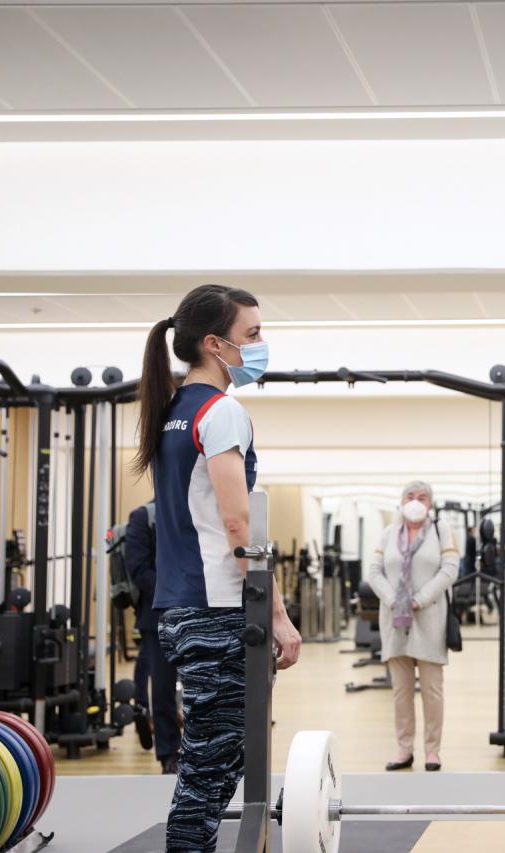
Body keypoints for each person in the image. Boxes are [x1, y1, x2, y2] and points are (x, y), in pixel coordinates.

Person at [133, 284, 302, 853]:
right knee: (212, 765)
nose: (260, 345)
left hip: (181, 608)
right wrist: (277, 612)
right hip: (217, 609)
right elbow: (238, 525)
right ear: (214, 343)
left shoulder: (172, 410)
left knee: (218, 754)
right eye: (251, 335)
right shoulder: (221, 410)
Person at [366, 480, 459, 772]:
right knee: (400, 691)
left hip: (429, 617)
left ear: (430, 503)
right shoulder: (387, 534)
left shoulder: (442, 531)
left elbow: (449, 570)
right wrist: (394, 599)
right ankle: (404, 749)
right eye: (410, 496)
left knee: (432, 690)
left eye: (422, 497)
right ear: (401, 501)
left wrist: (419, 599)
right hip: (395, 621)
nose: (416, 501)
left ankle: (433, 751)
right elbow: (373, 572)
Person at [123, 501, 181, 775]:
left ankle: (200, 752)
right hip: (157, 615)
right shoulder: (143, 517)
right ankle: (169, 754)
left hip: (199, 611)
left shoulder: (196, 510)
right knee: (163, 689)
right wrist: (178, 590)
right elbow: (137, 569)